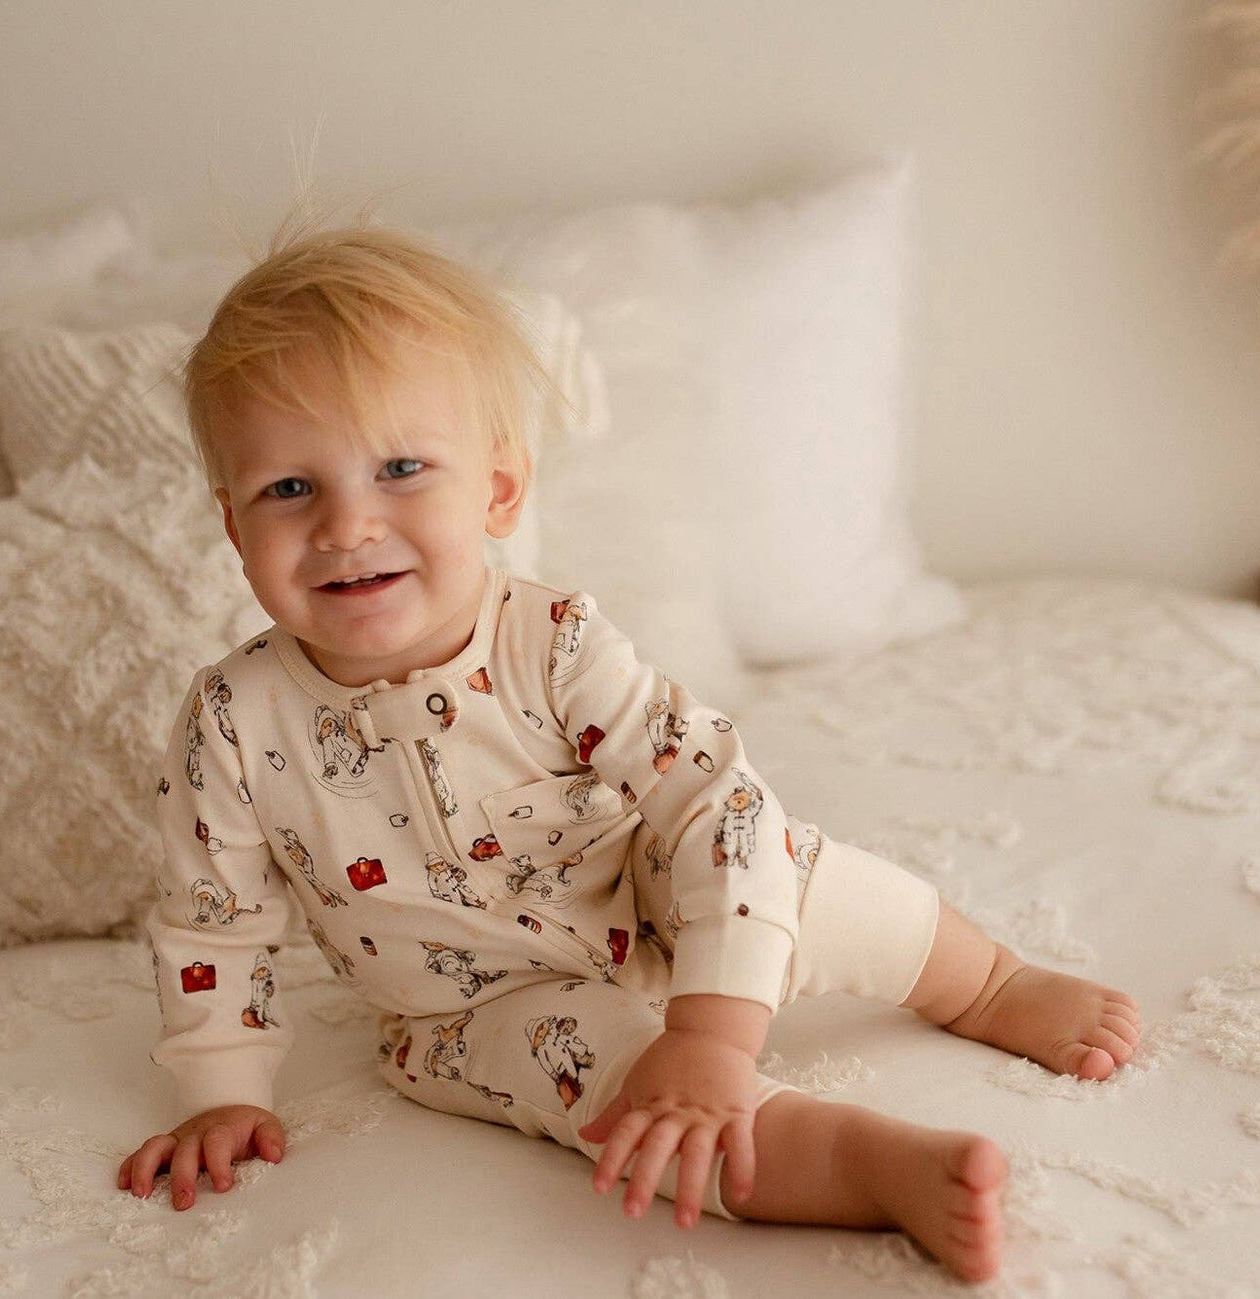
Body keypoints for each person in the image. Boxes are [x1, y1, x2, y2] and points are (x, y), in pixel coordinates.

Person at [116, 220, 1140, 1283]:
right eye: (290, 489)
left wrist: (712, 1025)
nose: (344, 525)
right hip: (471, 1011)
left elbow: (710, 803)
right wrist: (222, 1091)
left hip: (636, 892)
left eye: (401, 467)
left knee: (781, 868)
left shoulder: (551, 643)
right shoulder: (234, 720)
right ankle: (865, 1165)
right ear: (233, 526)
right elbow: (212, 922)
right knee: (634, 1104)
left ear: (498, 491)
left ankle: (984, 984)